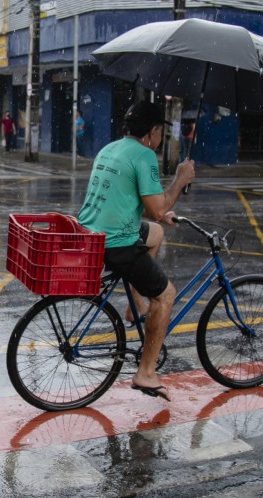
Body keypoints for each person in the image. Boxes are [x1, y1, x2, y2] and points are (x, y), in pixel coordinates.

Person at [77, 101, 195, 402]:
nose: (159, 138)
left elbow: (133, 199)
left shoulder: (110, 148)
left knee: (155, 233)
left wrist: (159, 216)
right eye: (159, 132)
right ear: (152, 132)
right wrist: (180, 180)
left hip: (92, 234)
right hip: (117, 243)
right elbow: (157, 206)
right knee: (167, 294)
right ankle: (145, 372)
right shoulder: (144, 155)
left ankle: (135, 306)